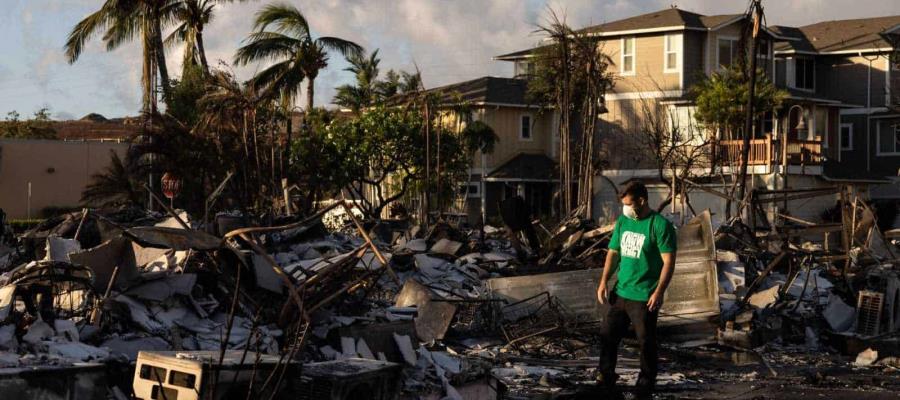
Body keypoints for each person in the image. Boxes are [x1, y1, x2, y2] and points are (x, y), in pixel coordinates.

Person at [596, 181, 677, 399]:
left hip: (644, 296)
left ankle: (645, 384)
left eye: (629, 204)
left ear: (641, 201)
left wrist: (659, 292)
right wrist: (604, 281)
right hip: (621, 292)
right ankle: (606, 376)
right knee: (607, 335)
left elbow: (669, 262)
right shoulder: (623, 221)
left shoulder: (659, 225)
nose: (626, 208)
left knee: (646, 342)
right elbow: (613, 253)